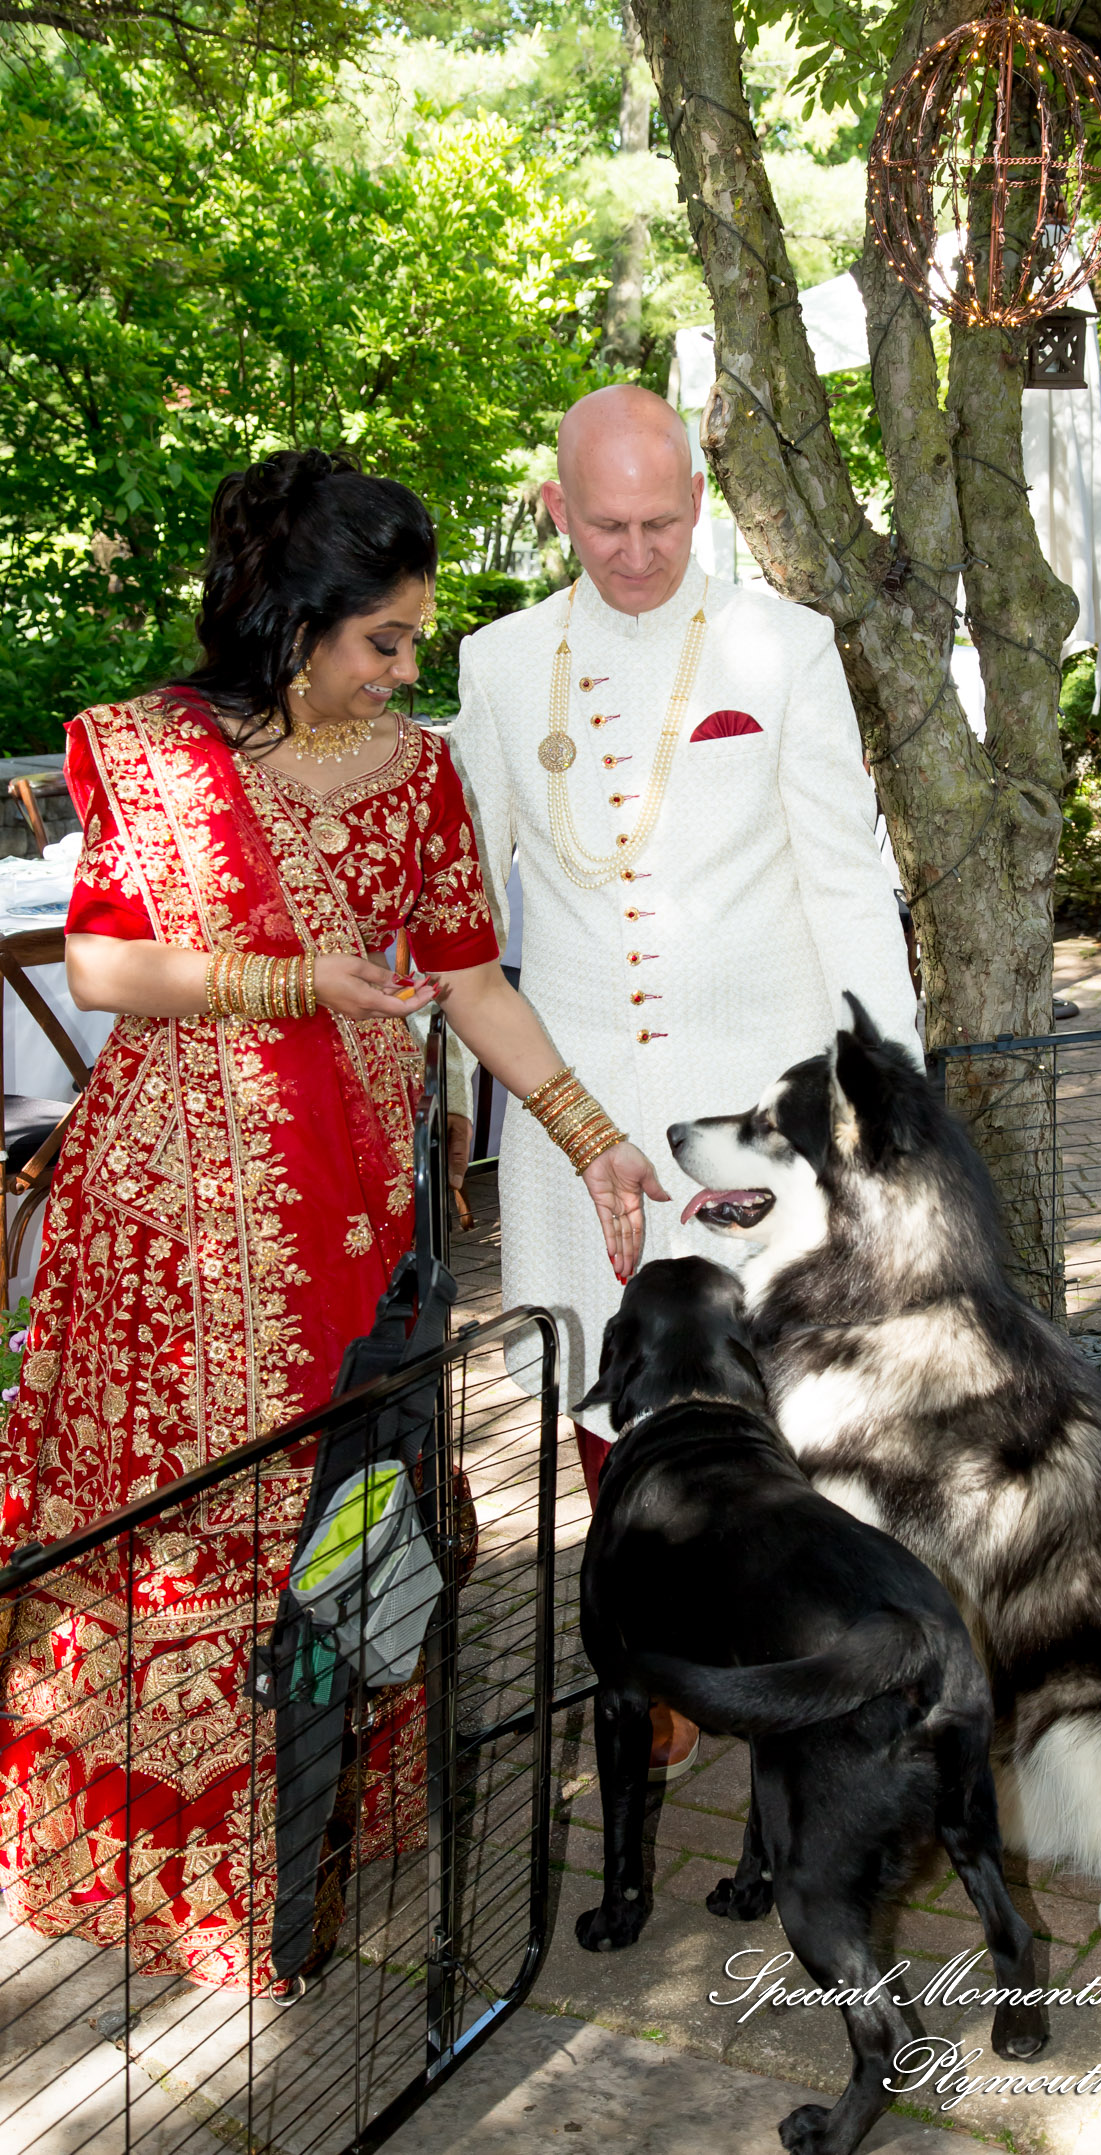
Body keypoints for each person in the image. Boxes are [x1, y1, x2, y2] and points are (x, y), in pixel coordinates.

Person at [0, 449, 664, 1995]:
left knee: (344, 1518)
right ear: (292, 621)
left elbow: (475, 977)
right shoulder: (151, 750)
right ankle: (185, 1864)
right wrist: (299, 982)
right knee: (193, 1524)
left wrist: (592, 1140)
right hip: (176, 1212)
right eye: (385, 640)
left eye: (417, 640)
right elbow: (104, 970)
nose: (408, 669)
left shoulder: (418, 776)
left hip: (357, 1209)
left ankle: (314, 1825)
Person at [451, 385, 918, 1769]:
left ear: (699, 503)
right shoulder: (494, 662)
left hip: (754, 1095)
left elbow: (845, 867)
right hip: (577, 1087)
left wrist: (881, 1086)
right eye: (607, 525)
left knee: (803, 1364)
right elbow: (465, 903)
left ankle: (815, 1634)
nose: (639, 551)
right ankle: (651, 1646)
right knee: (609, 1370)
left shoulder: (785, 644)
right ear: (557, 510)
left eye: (663, 520)